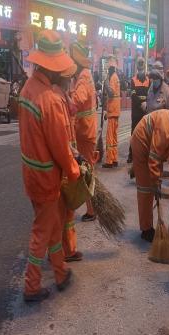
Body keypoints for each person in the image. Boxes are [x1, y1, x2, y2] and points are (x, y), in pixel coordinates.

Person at [18, 30, 80, 303]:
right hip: (46, 177)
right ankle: (31, 285)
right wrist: (74, 170)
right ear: (51, 67)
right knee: (42, 232)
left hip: (32, 173)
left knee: (53, 226)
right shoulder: (50, 100)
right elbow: (59, 147)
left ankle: (60, 272)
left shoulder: (27, 89)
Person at [131, 108, 169, 242]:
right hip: (141, 143)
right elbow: (154, 159)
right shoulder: (165, 131)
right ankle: (146, 229)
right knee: (146, 188)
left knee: (153, 180)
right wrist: (155, 182)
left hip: (153, 145)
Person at [53, 62, 84, 263]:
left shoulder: (62, 97)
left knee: (67, 209)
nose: (72, 81)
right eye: (70, 78)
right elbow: (59, 137)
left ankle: (68, 249)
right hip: (63, 162)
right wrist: (73, 158)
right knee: (60, 211)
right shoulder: (55, 100)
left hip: (68, 158)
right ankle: (59, 253)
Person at [70, 42, 98, 222]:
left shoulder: (83, 77)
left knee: (87, 171)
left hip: (85, 131)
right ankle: (91, 207)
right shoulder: (83, 75)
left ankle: (92, 210)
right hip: (85, 131)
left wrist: (64, 99)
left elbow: (78, 100)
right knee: (87, 169)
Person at [127, 57, 150, 164]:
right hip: (136, 111)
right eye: (139, 65)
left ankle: (143, 154)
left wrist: (146, 103)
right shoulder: (133, 80)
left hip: (145, 110)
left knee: (145, 133)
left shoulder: (148, 80)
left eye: (142, 64)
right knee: (134, 132)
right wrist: (141, 103)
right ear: (137, 67)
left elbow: (150, 95)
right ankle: (131, 154)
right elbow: (133, 95)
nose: (140, 68)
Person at [102, 56, 120, 168]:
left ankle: (109, 160)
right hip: (115, 110)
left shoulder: (113, 78)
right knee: (114, 137)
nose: (108, 70)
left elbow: (111, 93)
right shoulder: (115, 77)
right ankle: (114, 158)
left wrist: (106, 82)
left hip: (113, 110)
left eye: (109, 68)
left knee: (110, 137)